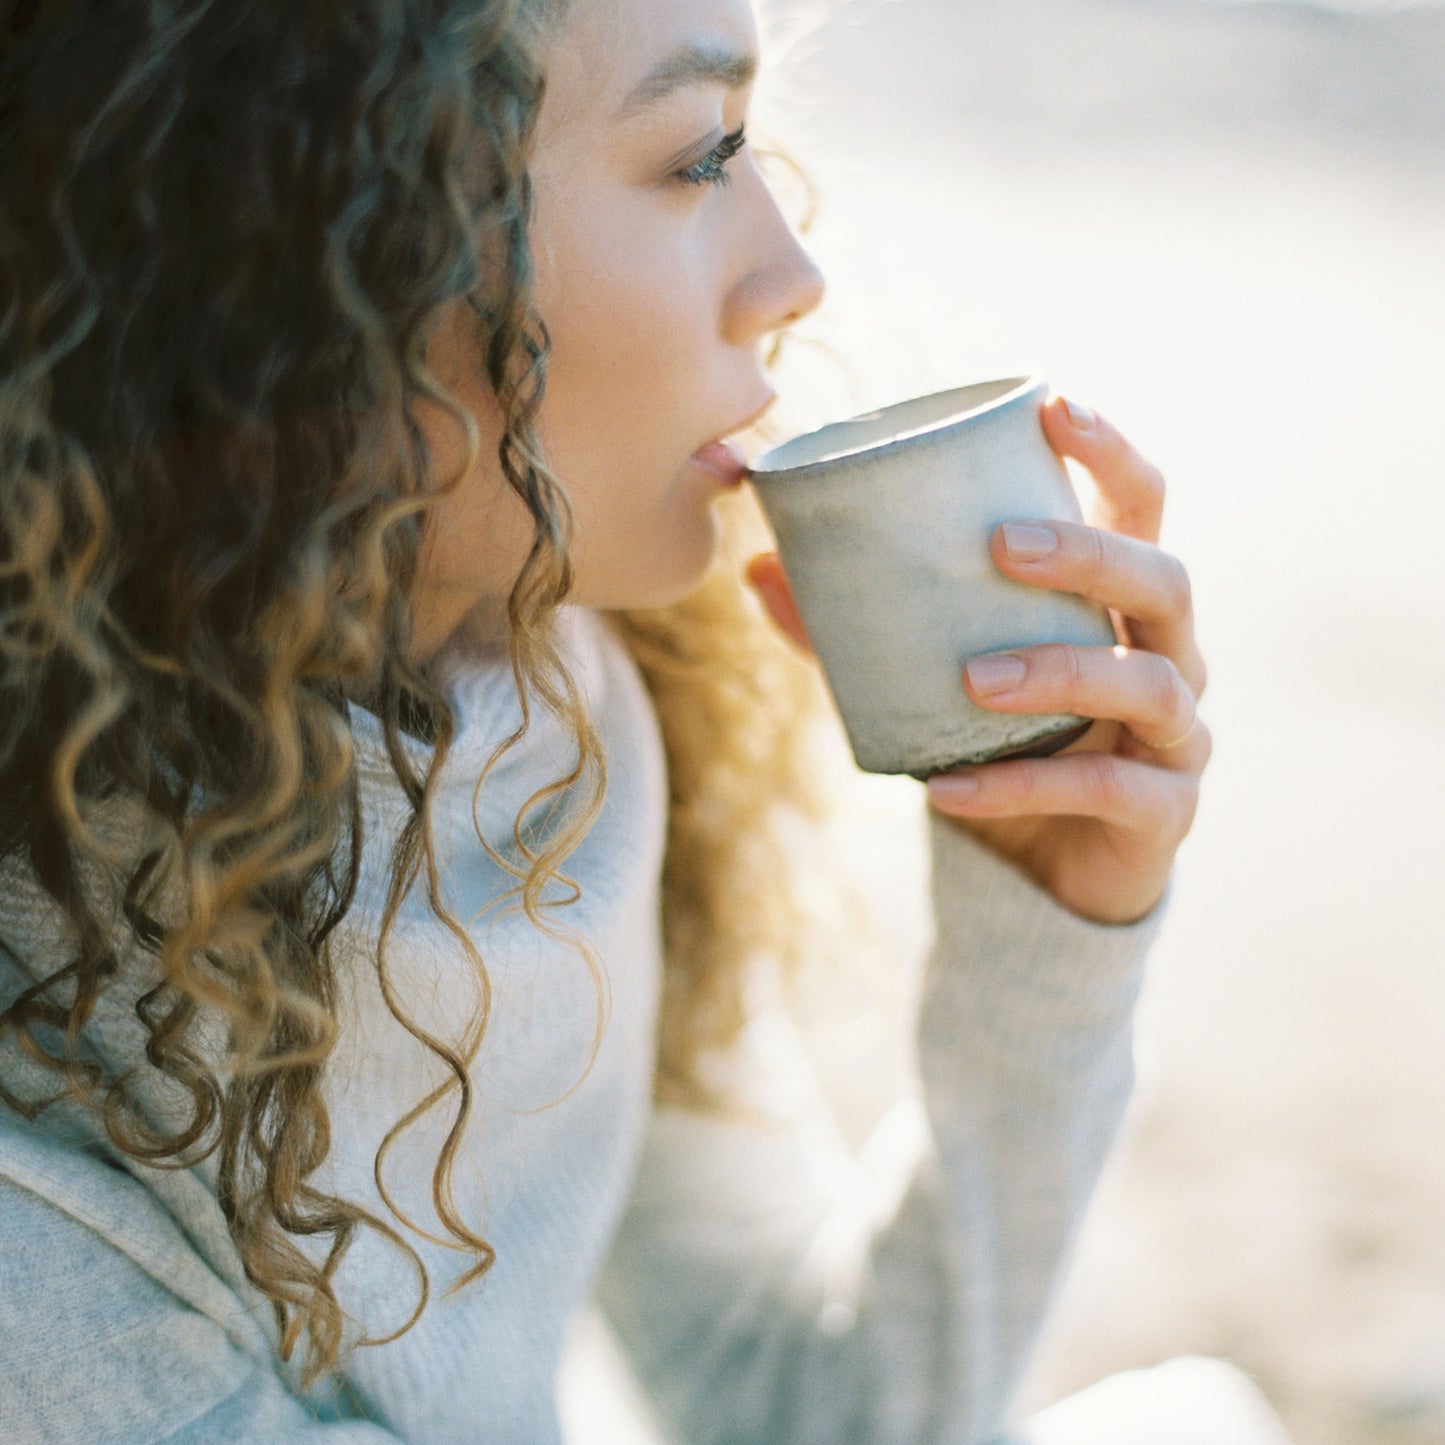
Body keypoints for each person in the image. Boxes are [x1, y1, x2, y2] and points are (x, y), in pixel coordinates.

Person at [0, 0, 1278, 1441]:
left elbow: (806, 1404)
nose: (790, 274)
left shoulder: (569, 730)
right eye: (696, 155)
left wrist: (1044, 942)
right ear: (308, 255)